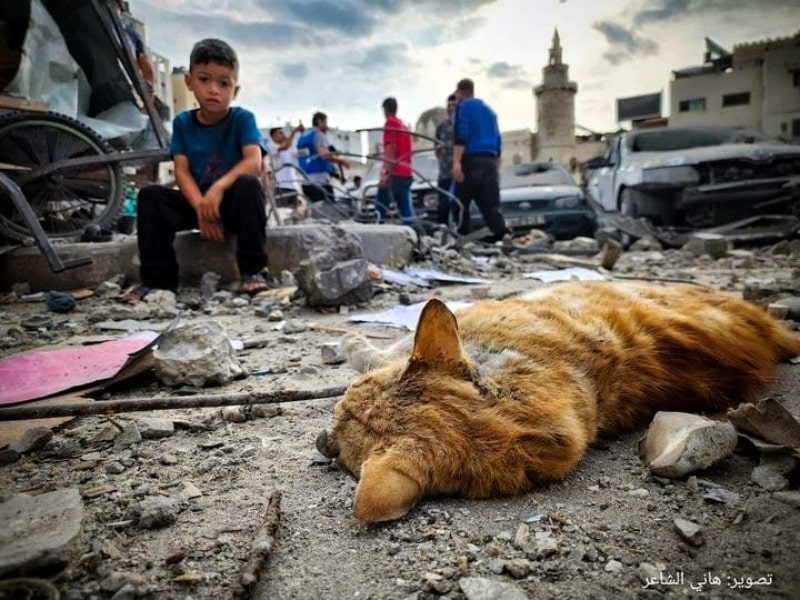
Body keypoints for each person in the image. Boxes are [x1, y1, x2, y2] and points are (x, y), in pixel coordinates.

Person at [124, 38, 268, 300]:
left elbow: (253, 162)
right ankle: (159, 281)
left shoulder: (242, 119)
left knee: (249, 184)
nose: (214, 89)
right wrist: (202, 208)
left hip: (232, 205)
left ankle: (253, 270)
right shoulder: (183, 123)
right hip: (198, 203)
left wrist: (217, 189)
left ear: (235, 90)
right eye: (204, 79)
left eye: (224, 83)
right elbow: (182, 171)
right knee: (151, 197)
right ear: (189, 83)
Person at [452, 78, 510, 241]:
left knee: (460, 203)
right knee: (490, 204)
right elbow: (498, 142)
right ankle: (502, 234)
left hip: (472, 160)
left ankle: (463, 236)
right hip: (490, 161)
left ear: (460, 92)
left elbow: (461, 135)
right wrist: (497, 168)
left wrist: (456, 162)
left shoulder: (463, 107)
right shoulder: (489, 111)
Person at [375, 97, 415, 225]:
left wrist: (386, 174)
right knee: (405, 210)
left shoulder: (390, 124)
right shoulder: (403, 126)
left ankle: (376, 232)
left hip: (395, 174)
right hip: (406, 173)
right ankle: (414, 235)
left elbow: (391, 149)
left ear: (385, 110)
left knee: (380, 207)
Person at [296, 112, 350, 203]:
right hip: (320, 181)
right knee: (329, 212)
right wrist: (343, 160)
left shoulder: (302, 138)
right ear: (319, 121)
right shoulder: (319, 135)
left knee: (314, 214)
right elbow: (324, 155)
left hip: (305, 182)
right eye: (325, 122)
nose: (326, 126)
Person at [435, 93, 457, 226]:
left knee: (458, 204)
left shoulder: (462, 124)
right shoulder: (441, 126)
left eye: (454, 105)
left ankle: (460, 231)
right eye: (449, 105)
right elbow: (437, 149)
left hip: (459, 172)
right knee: (442, 204)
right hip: (444, 173)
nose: (451, 108)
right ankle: (441, 232)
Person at [267, 123, 304, 198]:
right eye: (280, 133)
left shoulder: (288, 149)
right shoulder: (271, 147)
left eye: (283, 132)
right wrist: (294, 131)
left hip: (293, 187)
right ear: (273, 136)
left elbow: (302, 153)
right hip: (281, 187)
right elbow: (286, 145)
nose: (283, 134)